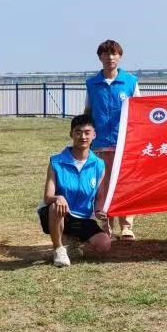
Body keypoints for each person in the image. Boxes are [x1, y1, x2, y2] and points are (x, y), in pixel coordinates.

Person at [37, 114, 112, 267]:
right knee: (56, 205)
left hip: (83, 218)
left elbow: (99, 196)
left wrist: (100, 212)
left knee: (104, 245)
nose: (83, 137)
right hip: (58, 214)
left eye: (87, 132)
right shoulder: (56, 162)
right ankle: (59, 249)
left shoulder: (99, 164)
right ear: (71, 134)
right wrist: (58, 198)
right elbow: (48, 197)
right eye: (78, 132)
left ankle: (73, 244)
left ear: (94, 135)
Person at [84, 39, 140, 240]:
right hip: (100, 145)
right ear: (100, 57)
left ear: (120, 56)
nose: (110, 58)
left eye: (114, 53)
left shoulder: (130, 81)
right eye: (106, 54)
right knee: (102, 187)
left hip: (124, 143)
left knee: (124, 185)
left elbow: (139, 111)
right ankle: (105, 226)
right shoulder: (92, 84)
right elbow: (88, 112)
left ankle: (127, 226)